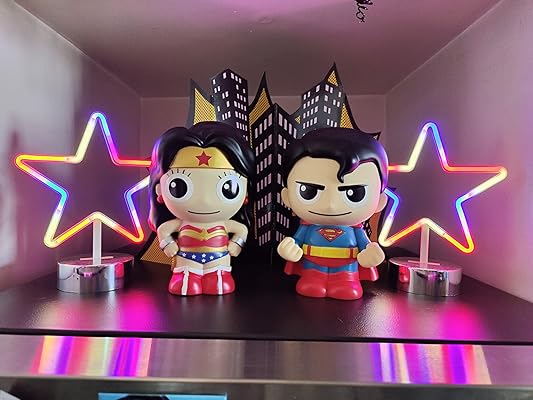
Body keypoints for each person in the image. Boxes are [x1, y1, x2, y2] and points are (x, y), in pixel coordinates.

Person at [277, 128, 389, 300]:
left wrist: (370, 254)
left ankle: (345, 282)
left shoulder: (355, 231)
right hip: (312, 268)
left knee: (345, 288)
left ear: (380, 201)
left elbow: (365, 246)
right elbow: (296, 241)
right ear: (287, 197)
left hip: (346, 270)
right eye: (309, 191)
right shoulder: (307, 227)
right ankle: (314, 279)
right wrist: (290, 248)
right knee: (311, 286)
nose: (331, 205)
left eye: (354, 193)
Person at [149, 122, 254, 296]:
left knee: (219, 284)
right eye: (179, 186)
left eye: (228, 188)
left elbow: (242, 230)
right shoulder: (179, 223)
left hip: (218, 260)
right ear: (160, 190)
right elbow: (163, 230)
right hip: (187, 260)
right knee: (185, 285)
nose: (205, 201)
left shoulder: (226, 224)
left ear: (245, 192)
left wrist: (237, 244)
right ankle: (186, 278)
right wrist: (168, 244)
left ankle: (217, 276)